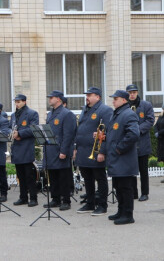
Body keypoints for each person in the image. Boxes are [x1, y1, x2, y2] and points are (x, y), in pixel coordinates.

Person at [74, 87, 113, 215]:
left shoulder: (105, 110)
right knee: (87, 178)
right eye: (87, 95)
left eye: (90, 95)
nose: (87, 97)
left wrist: (102, 151)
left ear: (98, 97)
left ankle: (102, 205)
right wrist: (75, 148)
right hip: (83, 150)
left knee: (100, 178)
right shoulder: (85, 109)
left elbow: (106, 132)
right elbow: (79, 130)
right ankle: (90, 203)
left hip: (95, 150)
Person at [106, 90, 140, 225]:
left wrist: (119, 148)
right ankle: (121, 211)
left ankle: (128, 214)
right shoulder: (117, 114)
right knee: (118, 186)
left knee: (125, 187)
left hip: (123, 158)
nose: (113, 101)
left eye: (116, 98)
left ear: (124, 100)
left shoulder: (129, 114)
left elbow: (133, 134)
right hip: (116, 158)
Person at [43, 90, 76, 211]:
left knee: (63, 177)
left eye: (51, 97)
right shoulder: (50, 113)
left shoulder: (67, 114)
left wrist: (64, 151)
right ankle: (55, 199)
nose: (49, 99)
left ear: (58, 99)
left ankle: (66, 200)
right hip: (51, 149)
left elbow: (68, 135)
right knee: (53, 176)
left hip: (61, 150)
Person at [126, 84, 155, 201]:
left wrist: (137, 129)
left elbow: (150, 120)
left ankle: (145, 193)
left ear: (137, 93)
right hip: (130, 144)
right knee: (131, 170)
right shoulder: (125, 106)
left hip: (142, 142)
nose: (132, 94)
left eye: (134, 92)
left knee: (143, 170)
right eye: (130, 92)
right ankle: (134, 193)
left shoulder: (146, 105)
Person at [10, 94, 39, 207]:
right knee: (20, 176)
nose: (16, 104)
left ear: (24, 102)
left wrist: (20, 134)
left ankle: (33, 198)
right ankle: (23, 197)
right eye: (15, 102)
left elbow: (33, 128)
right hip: (16, 148)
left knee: (29, 176)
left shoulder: (32, 113)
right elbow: (9, 127)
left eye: (19, 102)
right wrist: (11, 133)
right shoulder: (13, 115)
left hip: (26, 147)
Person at [154, 104, 164, 183]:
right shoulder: (161, 116)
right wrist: (156, 132)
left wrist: (159, 133)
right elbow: (156, 125)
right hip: (161, 141)